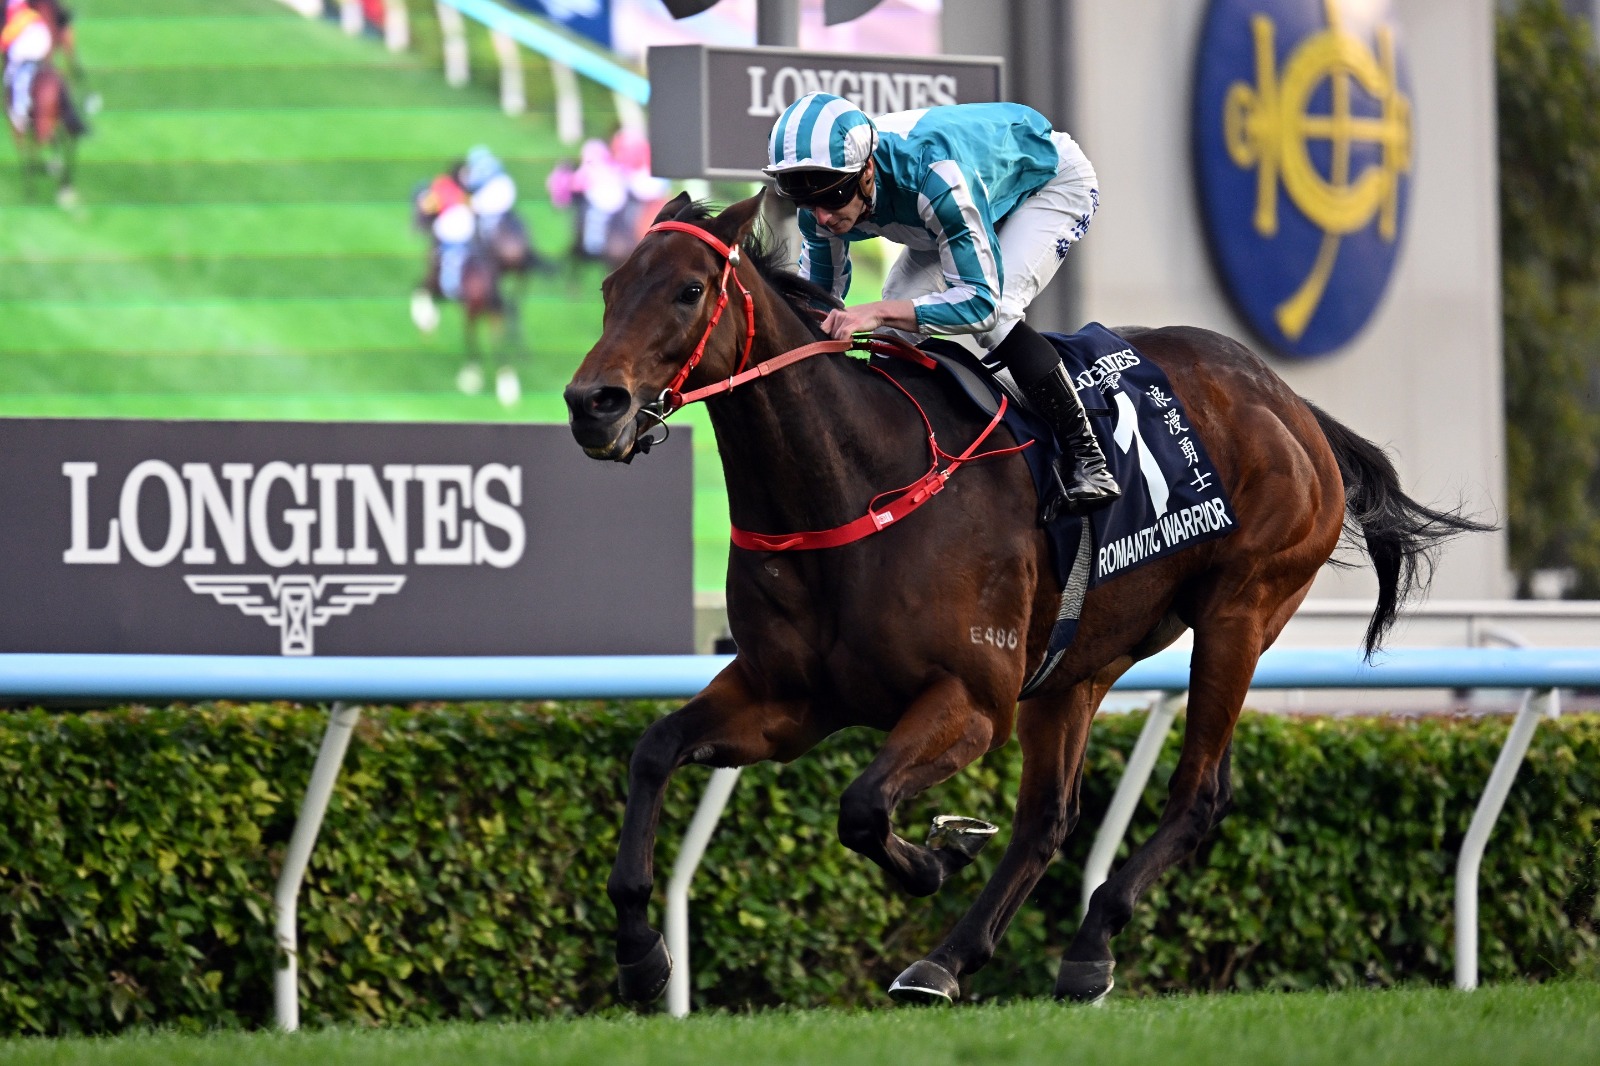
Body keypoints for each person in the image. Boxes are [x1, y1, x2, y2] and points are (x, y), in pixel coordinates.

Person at [764, 92, 1119, 519]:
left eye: (834, 196)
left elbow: (979, 304)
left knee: (998, 313)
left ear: (867, 172)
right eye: (807, 202)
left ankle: (1089, 459)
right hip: (953, 209)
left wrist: (873, 312)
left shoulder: (932, 176)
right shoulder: (823, 203)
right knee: (895, 330)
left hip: (1043, 185)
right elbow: (813, 308)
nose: (822, 216)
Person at [2, 0, 52, 132]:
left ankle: (19, 112)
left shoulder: (12, 13)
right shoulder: (27, 10)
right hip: (43, 39)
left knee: (11, 75)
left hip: (27, 44)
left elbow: (6, 40)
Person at [456, 145, 518, 243]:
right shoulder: (495, 162)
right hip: (507, 188)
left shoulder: (477, 170)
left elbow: (470, 185)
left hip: (492, 198)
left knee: (486, 225)